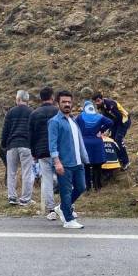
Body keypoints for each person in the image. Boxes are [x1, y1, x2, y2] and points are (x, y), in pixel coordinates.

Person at [48, 90, 89, 229]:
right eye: (64, 102)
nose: (67, 104)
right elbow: (52, 144)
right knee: (65, 192)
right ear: (57, 103)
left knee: (81, 187)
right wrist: (57, 162)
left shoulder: (73, 120)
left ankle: (61, 208)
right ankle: (68, 220)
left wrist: (84, 158)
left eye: (69, 102)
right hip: (64, 164)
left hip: (78, 162)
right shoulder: (54, 122)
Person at [29, 86, 59, 220]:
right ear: (52, 97)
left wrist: (34, 152)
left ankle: (51, 208)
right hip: (58, 151)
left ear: (41, 98)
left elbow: (31, 135)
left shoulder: (34, 114)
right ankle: (66, 207)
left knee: (46, 180)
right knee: (63, 179)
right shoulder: (58, 112)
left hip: (41, 152)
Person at [1, 90, 34, 206]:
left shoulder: (11, 112)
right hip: (26, 145)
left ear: (18, 99)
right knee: (27, 172)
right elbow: (34, 131)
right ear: (27, 100)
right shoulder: (31, 112)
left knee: (11, 172)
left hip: (12, 145)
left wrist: (3, 144)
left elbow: (5, 130)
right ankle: (25, 199)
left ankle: (12, 197)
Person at [76, 100, 114, 192]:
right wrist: (101, 130)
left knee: (86, 166)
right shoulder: (99, 116)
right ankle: (97, 187)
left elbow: (74, 124)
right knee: (97, 166)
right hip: (97, 143)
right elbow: (110, 122)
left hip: (85, 143)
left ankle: (88, 187)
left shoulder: (80, 117)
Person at [92, 92, 131, 170]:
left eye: (98, 100)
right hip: (115, 122)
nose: (97, 103)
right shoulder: (101, 107)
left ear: (102, 99)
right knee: (111, 139)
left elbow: (118, 117)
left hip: (123, 121)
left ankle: (126, 161)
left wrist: (108, 128)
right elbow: (106, 119)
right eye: (95, 101)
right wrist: (101, 129)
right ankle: (119, 158)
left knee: (118, 140)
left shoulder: (110, 104)